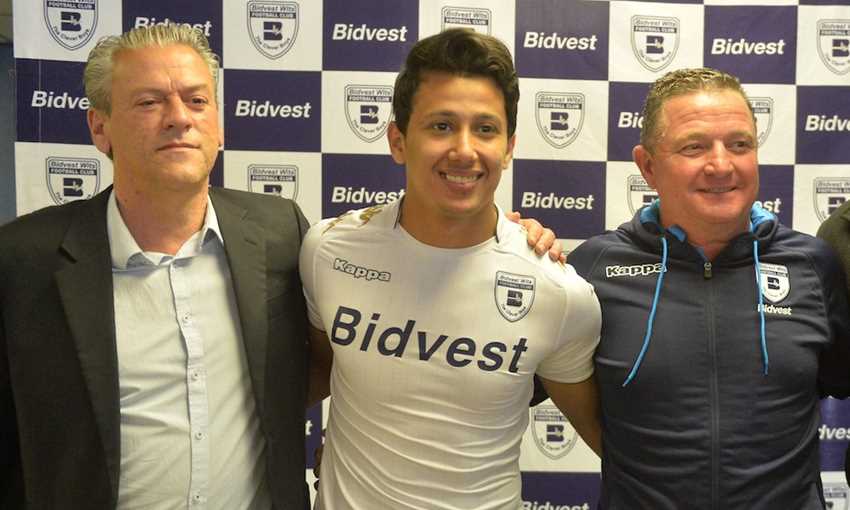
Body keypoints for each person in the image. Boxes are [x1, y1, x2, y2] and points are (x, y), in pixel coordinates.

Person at [0, 24, 312, 508]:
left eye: (197, 101)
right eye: (149, 102)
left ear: (218, 124)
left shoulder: (281, 233)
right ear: (99, 128)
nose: (179, 118)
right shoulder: (23, 258)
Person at [300, 28, 602, 509]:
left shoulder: (558, 290)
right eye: (441, 126)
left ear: (508, 147)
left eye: (485, 129)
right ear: (398, 141)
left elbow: (612, 445)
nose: (464, 150)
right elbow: (312, 374)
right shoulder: (329, 250)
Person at [567, 67, 850, 508]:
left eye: (740, 145)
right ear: (647, 166)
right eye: (694, 147)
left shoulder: (814, 264)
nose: (721, 165)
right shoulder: (593, 268)